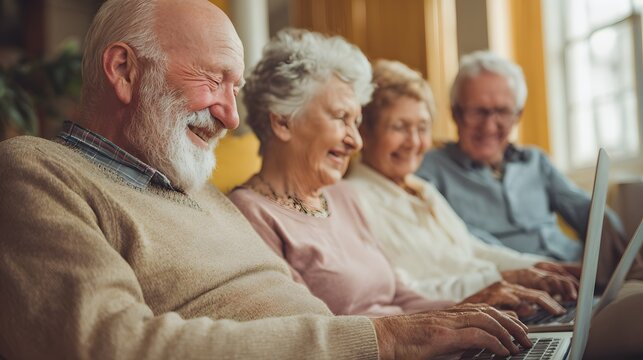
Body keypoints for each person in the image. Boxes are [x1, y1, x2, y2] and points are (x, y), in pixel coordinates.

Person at [0, 1, 531, 359]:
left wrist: (444, 323)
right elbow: (115, 344)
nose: (232, 117)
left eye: (238, 88)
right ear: (123, 71)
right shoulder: (37, 174)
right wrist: (379, 340)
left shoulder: (195, 188)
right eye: (214, 80)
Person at [228, 28, 567, 323]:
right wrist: (448, 323)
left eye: (356, 122)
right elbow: (312, 333)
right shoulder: (249, 214)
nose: (355, 141)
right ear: (283, 121)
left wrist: (472, 312)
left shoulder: (341, 195)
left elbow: (402, 295)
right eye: (341, 118)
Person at [345, 59, 579, 309]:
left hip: (498, 308)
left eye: (422, 127)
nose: (413, 142)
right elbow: (403, 293)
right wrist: (499, 280)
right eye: (399, 127)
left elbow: (472, 249)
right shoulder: (353, 200)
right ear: (365, 133)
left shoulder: (421, 188)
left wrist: (537, 267)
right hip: (459, 320)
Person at [415, 50, 641, 287]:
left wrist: (619, 262)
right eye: (478, 111)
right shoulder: (429, 169)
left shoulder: (536, 160)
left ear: (518, 115)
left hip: (579, 276)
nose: (490, 126)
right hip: (517, 285)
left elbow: (587, 210)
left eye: (502, 111)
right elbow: (462, 240)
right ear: (456, 113)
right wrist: (537, 269)